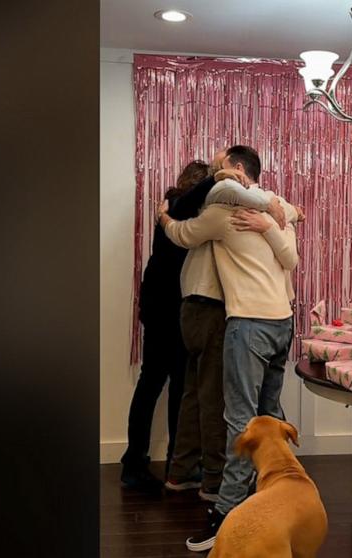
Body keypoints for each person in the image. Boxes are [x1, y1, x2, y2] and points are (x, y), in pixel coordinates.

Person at [159, 145, 300, 552]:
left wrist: (163, 216)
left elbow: (183, 235)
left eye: (220, 167)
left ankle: (225, 513)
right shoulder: (278, 208)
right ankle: (278, 495)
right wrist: (274, 220)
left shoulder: (223, 211)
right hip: (283, 322)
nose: (214, 174)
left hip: (249, 323)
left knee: (240, 423)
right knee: (270, 416)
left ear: (237, 171)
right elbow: (290, 258)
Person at [120, 160, 209, 493]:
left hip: (160, 307)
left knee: (165, 387)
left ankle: (162, 462)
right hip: (169, 310)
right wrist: (222, 174)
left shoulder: (172, 209)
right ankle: (161, 463)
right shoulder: (179, 206)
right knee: (169, 388)